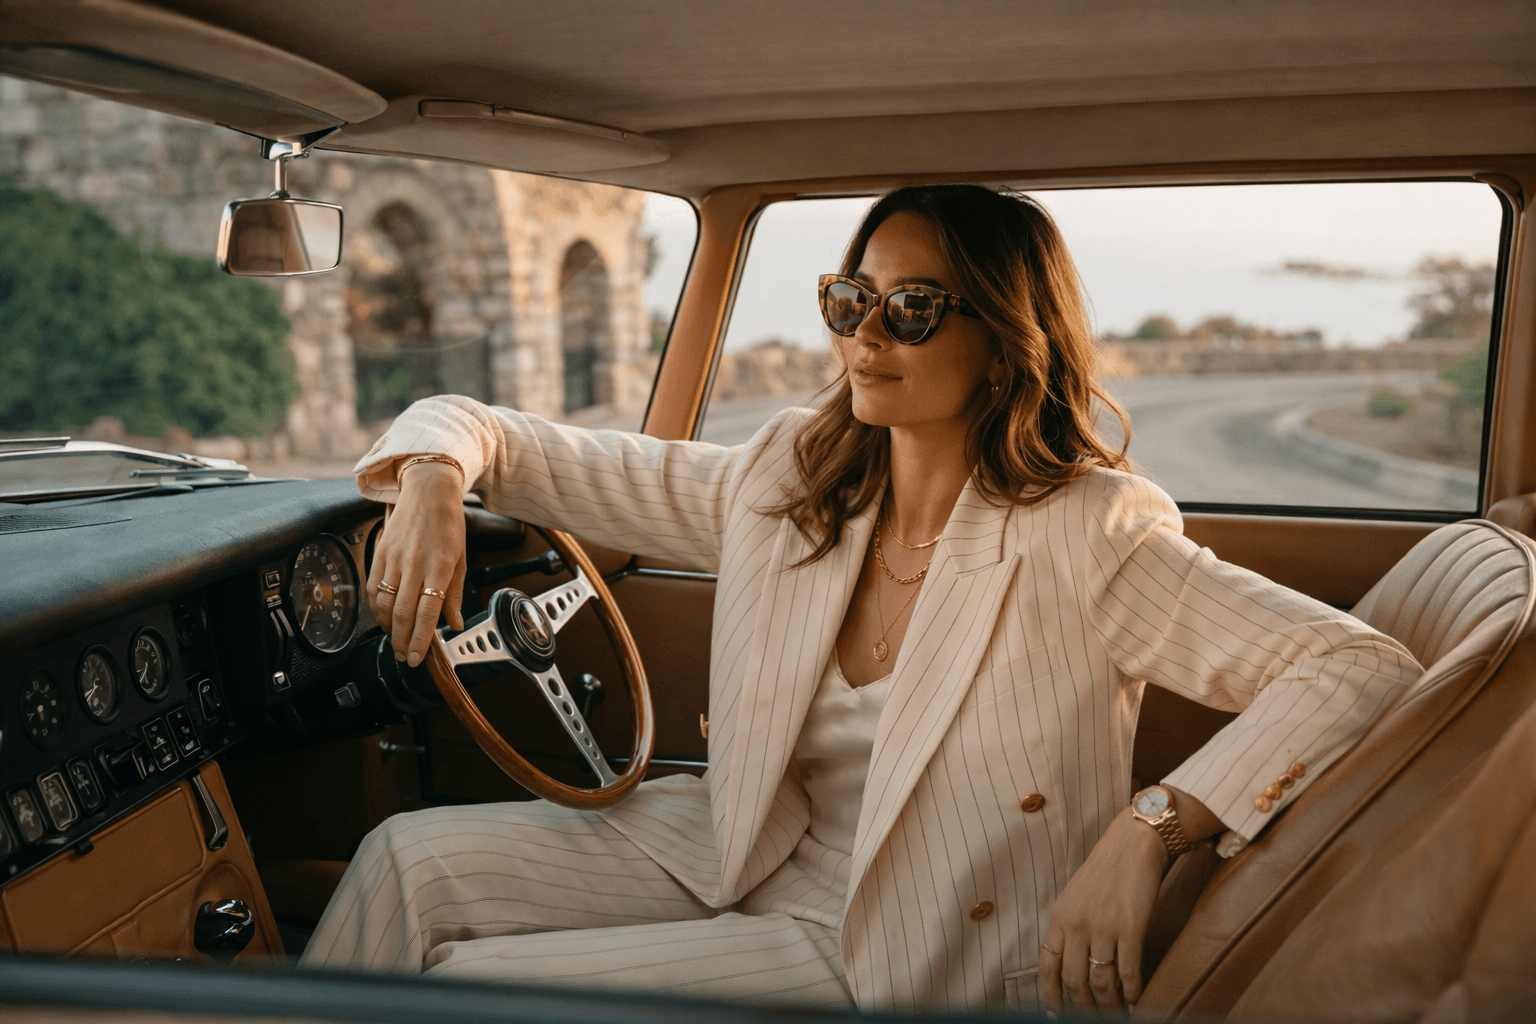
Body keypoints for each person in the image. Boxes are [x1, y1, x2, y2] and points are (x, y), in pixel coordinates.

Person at [300, 184, 1421, 1014]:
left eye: (914, 309)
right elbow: (502, 436)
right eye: (850, 300)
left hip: (904, 944)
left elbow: (1358, 667)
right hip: (745, 845)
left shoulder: (1090, 530)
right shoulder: (790, 477)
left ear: (1003, 341)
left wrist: (1153, 827)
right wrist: (433, 477)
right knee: (401, 860)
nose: (865, 336)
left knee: (475, 990)